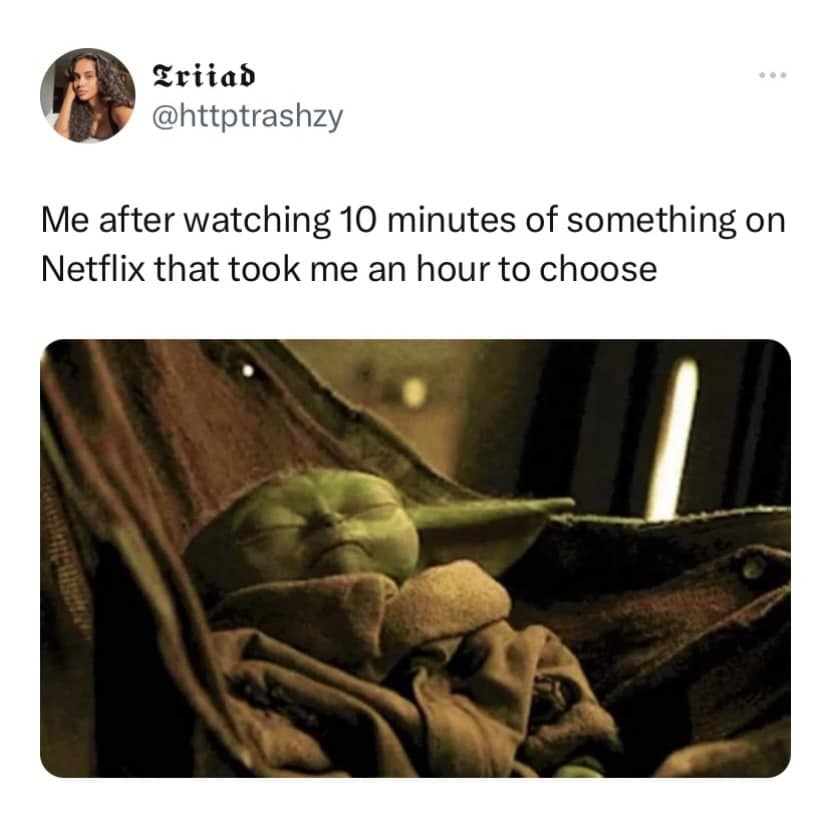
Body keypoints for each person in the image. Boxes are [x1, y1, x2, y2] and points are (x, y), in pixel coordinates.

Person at [184, 468, 621, 777]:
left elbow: (565, 710)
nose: (330, 519)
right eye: (268, 529)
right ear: (213, 580)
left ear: (422, 539)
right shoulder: (234, 653)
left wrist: (578, 766)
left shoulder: (490, 629)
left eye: (369, 506)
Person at [53, 53, 133, 142]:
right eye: (76, 77)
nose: (80, 83)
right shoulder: (78, 110)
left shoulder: (118, 108)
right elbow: (61, 135)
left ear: (103, 79)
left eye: (89, 76)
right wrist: (69, 95)